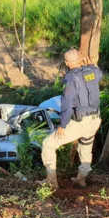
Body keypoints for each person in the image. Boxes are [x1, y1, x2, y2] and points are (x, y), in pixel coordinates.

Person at [38, 48, 102, 189]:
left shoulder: (71, 78)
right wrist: (92, 65)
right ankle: (81, 179)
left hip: (80, 122)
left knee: (48, 144)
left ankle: (51, 181)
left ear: (67, 63)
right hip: (95, 120)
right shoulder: (92, 71)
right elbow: (99, 74)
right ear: (79, 59)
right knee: (85, 148)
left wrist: (63, 125)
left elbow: (67, 103)